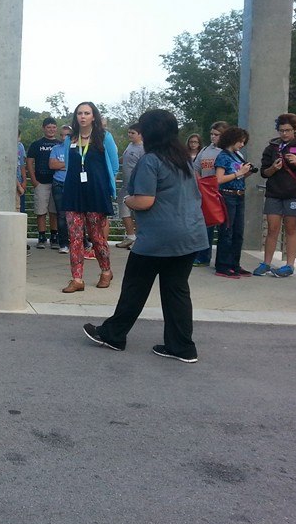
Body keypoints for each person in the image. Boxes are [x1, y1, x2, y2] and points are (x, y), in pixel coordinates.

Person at [82, 109, 205, 364]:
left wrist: (127, 200)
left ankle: (113, 335)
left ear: (149, 132)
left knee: (135, 288)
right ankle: (182, 347)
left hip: (159, 238)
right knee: (177, 292)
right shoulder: (183, 159)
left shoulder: (151, 161)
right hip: (190, 235)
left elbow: (145, 201)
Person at [60, 102, 119, 293]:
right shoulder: (70, 139)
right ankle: (77, 278)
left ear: (94, 116)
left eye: (87, 113)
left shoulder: (104, 137)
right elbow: (68, 164)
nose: (83, 116)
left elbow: (114, 166)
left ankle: (106, 271)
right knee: (75, 237)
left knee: (96, 236)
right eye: (79, 113)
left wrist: (105, 186)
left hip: (96, 193)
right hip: (73, 192)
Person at [254, 113, 296, 278]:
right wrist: (274, 168)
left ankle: (289, 265)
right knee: (272, 229)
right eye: (281, 130)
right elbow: (264, 172)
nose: (284, 133)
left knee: (291, 228)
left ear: (294, 129)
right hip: (274, 193)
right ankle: (266, 263)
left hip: (294, 194)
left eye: (288, 130)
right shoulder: (272, 148)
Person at [213, 126, 254, 279]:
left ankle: (234, 264)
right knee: (227, 231)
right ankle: (222, 265)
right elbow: (219, 179)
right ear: (232, 140)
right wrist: (239, 173)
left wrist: (246, 173)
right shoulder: (223, 156)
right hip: (227, 195)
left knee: (238, 232)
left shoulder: (237, 155)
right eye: (240, 141)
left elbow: (238, 176)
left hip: (239, 195)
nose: (242, 145)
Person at [191, 121, 228, 266]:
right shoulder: (205, 150)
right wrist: (200, 182)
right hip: (206, 193)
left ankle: (223, 261)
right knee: (206, 225)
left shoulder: (229, 151)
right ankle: (203, 256)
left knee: (224, 228)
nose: (213, 137)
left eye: (216, 134)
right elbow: (195, 168)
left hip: (223, 192)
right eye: (211, 134)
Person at [26, 117, 60, 249]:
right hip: (41, 182)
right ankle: (41, 236)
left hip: (56, 182)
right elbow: (29, 162)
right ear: (43, 128)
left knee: (54, 211)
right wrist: (34, 180)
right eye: (48, 127)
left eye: (53, 127)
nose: (51, 130)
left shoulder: (59, 144)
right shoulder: (36, 144)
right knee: (40, 211)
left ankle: (54, 236)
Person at [115, 122, 144, 249]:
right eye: (129, 132)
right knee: (123, 208)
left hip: (137, 186)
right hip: (125, 185)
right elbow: (124, 158)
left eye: (133, 133)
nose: (130, 135)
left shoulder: (143, 149)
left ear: (140, 134)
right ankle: (131, 236)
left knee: (138, 212)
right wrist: (113, 161)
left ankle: (140, 239)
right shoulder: (130, 145)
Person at [48, 125, 72, 253]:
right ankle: (63, 243)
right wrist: (67, 164)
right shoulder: (56, 148)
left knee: (76, 213)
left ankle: (80, 242)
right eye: (62, 135)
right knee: (61, 214)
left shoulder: (76, 148)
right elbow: (52, 165)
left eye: (67, 135)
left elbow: (78, 165)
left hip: (73, 184)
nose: (64, 137)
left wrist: (61, 165)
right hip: (58, 183)